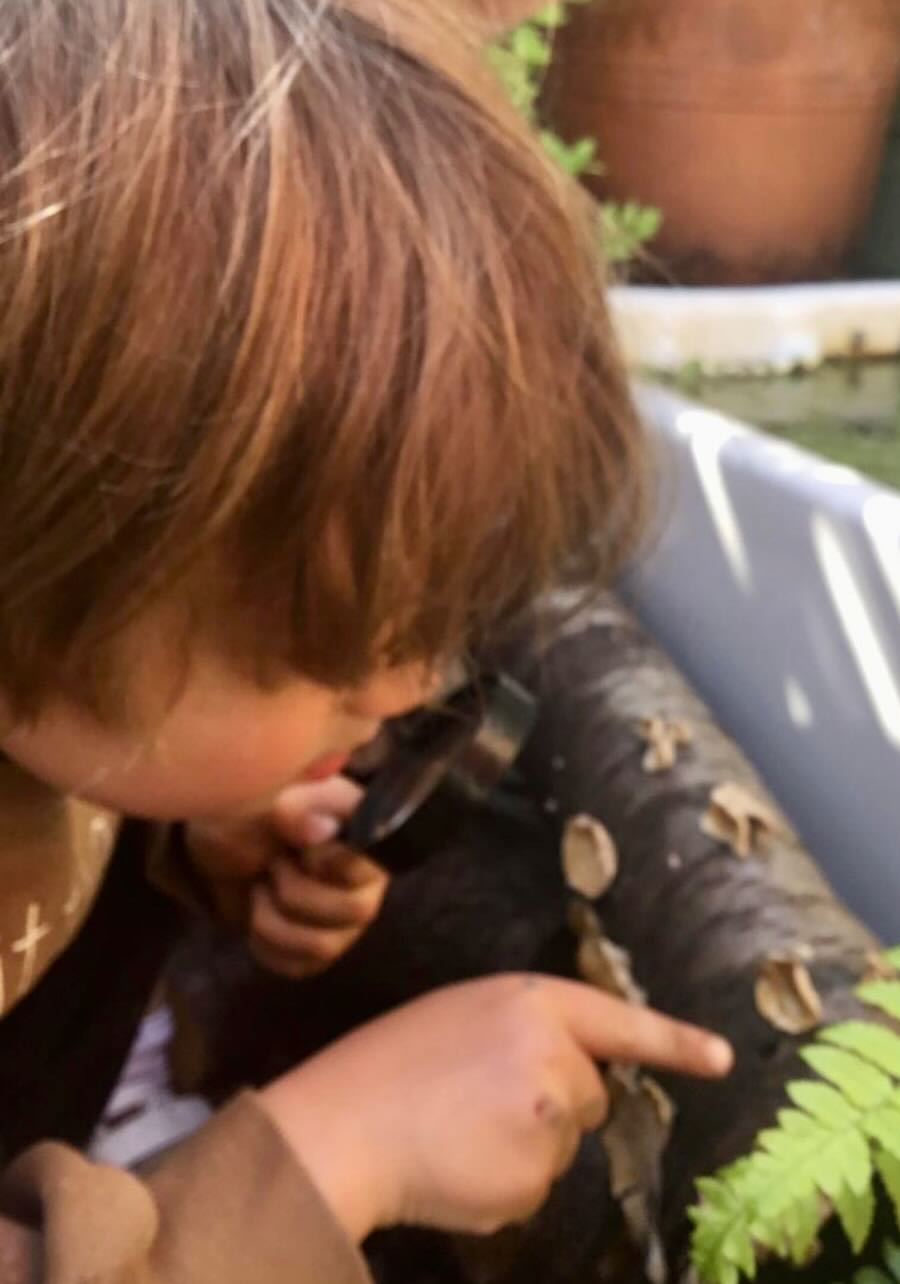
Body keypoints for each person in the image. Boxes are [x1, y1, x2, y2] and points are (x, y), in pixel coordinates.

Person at [0, 1, 735, 1280]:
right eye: (321, 643)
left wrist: (183, 850)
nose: (406, 685)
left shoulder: (57, 701)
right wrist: (339, 1152)